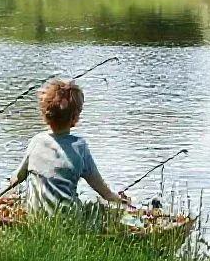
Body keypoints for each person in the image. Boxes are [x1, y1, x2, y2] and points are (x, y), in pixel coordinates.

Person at [8, 79, 129, 215]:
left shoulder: (36, 141)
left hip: (35, 216)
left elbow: (16, 178)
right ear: (75, 117)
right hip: (68, 218)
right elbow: (99, 187)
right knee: (97, 208)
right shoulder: (79, 147)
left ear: (45, 114)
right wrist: (117, 200)